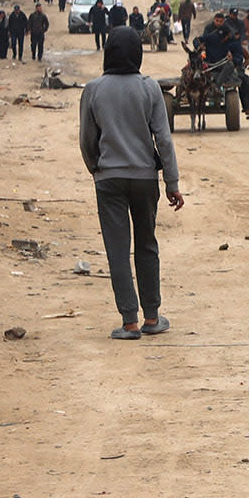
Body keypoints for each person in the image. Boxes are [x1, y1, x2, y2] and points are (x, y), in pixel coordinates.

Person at [78, 27, 183, 341]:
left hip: (109, 179)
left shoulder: (93, 89)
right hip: (144, 179)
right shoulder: (149, 88)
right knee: (147, 245)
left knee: (118, 250)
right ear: (137, 53)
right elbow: (163, 139)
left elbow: (86, 138)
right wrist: (172, 182)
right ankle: (152, 317)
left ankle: (129, 323)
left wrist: (95, 167)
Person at [200, 12, 249, 119]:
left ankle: (248, 108)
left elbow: (241, 57)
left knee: (246, 82)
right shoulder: (210, 33)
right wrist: (200, 46)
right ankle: (216, 86)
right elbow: (199, 41)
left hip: (231, 69)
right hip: (213, 67)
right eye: (217, 21)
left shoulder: (233, 43)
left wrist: (238, 63)